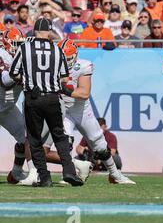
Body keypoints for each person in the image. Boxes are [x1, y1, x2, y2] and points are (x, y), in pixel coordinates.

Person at [39, 39, 135, 184]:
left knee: (100, 145)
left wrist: (64, 90)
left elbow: (84, 93)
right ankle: (70, 173)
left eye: (68, 58)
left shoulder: (82, 66)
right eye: (62, 58)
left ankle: (115, 174)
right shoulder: (50, 65)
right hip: (62, 110)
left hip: (81, 109)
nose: (65, 62)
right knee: (65, 143)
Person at [8, 18, 83, 187]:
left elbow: (13, 72)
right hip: (52, 98)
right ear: (49, 31)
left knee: (34, 140)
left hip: (33, 98)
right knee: (60, 136)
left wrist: (27, 79)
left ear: (34, 31)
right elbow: (64, 78)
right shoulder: (57, 50)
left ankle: (44, 176)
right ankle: (69, 171)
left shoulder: (25, 48)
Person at [0, 27, 34, 185]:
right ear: (6, 43)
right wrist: (23, 71)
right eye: (15, 43)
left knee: (25, 138)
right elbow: (5, 82)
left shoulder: (23, 57)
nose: (18, 46)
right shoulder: (2, 55)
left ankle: (18, 172)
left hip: (7, 109)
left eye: (20, 43)